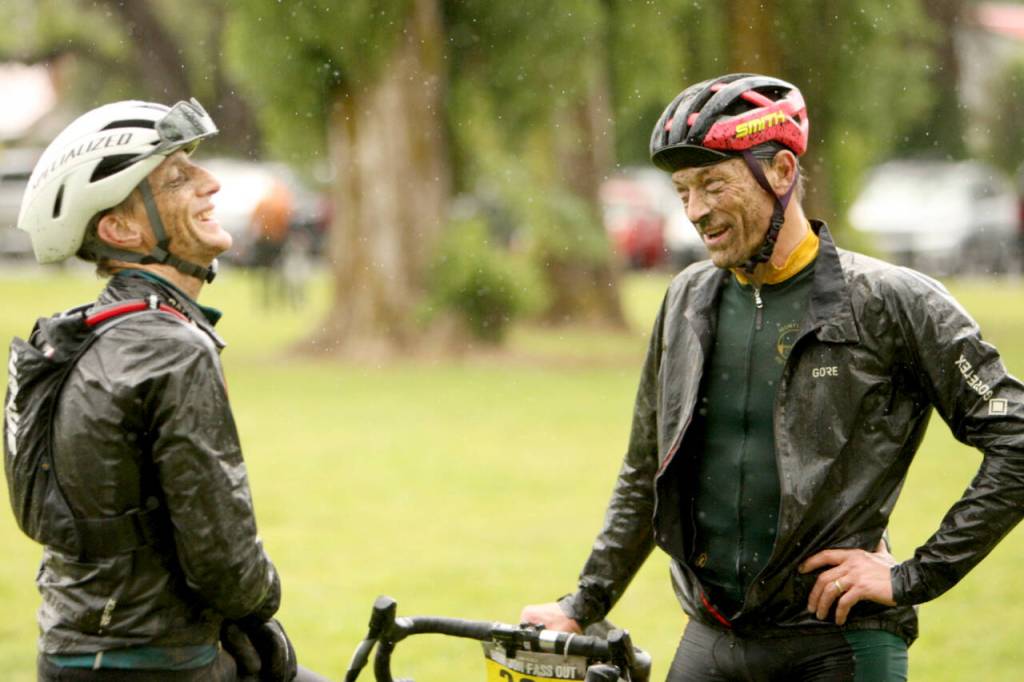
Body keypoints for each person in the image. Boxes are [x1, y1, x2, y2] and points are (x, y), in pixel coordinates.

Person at [520, 73, 1024, 680]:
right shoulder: (685, 299)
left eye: (713, 184)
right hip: (714, 635)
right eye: (683, 191)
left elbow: (1016, 438)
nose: (695, 211)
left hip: (839, 641)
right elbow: (647, 470)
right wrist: (583, 605)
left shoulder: (892, 303)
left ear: (782, 172)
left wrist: (915, 576)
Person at [8, 99, 328, 681]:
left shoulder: (84, 334)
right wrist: (263, 609)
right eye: (178, 178)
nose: (210, 183)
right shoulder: (170, 348)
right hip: (157, 660)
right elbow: (224, 560)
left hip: (73, 651)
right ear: (120, 229)